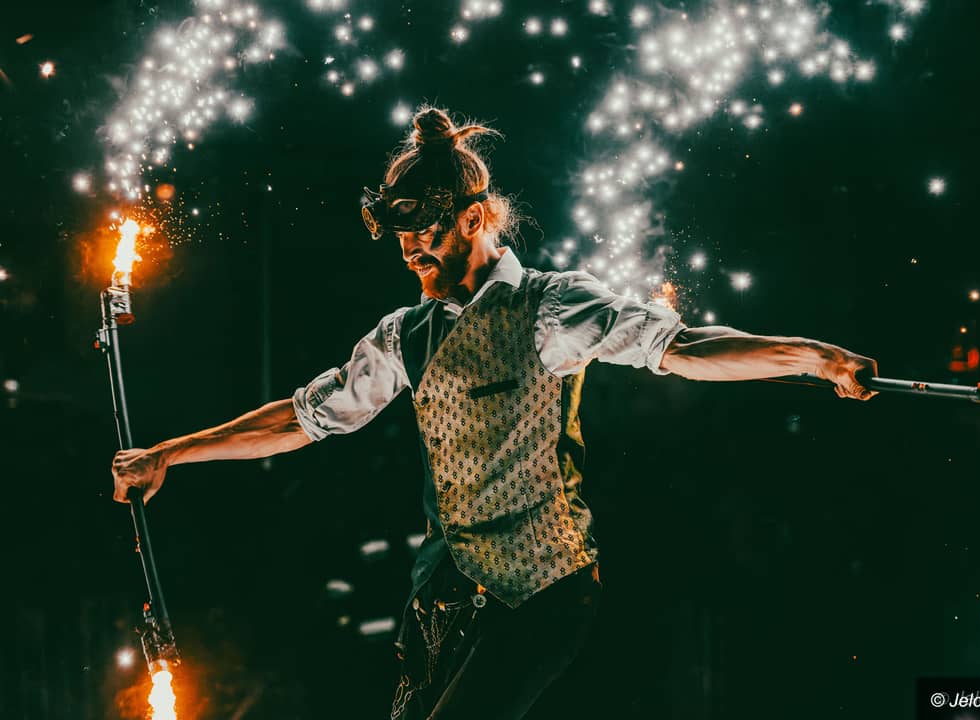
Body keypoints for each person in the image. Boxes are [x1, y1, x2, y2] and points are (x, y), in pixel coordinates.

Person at [112, 106, 877, 719]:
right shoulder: (403, 336)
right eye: (401, 236)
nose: (410, 250)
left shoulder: (551, 307)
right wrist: (167, 454)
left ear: (474, 219)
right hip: (443, 600)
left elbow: (682, 348)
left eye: (426, 231)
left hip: (542, 593)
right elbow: (304, 418)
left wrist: (812, 356)